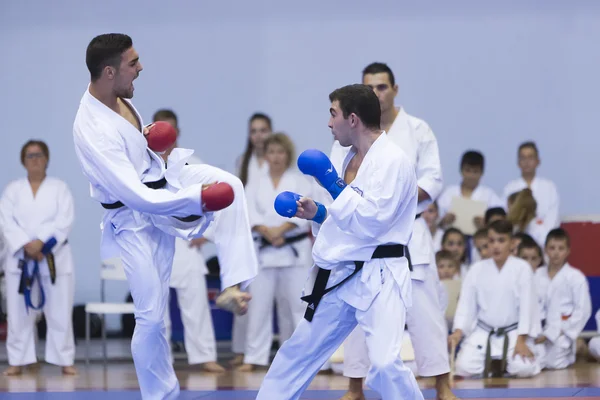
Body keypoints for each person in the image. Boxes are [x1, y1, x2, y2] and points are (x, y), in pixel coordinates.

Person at [72, 33, 257, 399]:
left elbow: (137, 157)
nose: (141, 68)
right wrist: (197, 201)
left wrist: (148, 139)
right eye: (133, 63)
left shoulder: (116, 98)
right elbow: (138, 197)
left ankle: (233, 285)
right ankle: (160, 395)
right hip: (134, 219)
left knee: (231, 186)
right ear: (109, 71)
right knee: (152, 317)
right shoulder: (92, 130)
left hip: (164, 178)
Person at [256, 84, 423, 399]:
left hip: (381, 275)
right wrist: (318, 213)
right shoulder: (346, 156)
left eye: (334, 114)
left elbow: (372, 222)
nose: (329, 123)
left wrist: (332, 185)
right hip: (342, 273)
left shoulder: (392, 160)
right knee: (298, 350)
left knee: (385, 364)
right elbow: (347, 217)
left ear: (353, 119)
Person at [338, 62, 454, 400]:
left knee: (426, 312)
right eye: (369, 87)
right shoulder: (351, 130)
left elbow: (432, 179)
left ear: (395, 89)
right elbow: (341, 180)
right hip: (365, 236)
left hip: (409, 232)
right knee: (359, 308)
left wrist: (397, 201)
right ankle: (354, 386)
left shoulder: (417, 129)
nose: (376, 93)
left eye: (382, 87)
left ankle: (443, 386)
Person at [152, 109, 225, 373]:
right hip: (158, 240)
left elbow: (214, 200)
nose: (167, 136)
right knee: (157, 306)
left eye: (171, 130)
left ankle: (205, 356)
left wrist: (205, 234)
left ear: (178, 133)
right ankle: (161, 360)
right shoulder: (146, 165)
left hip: (188, 242)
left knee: (196, 303)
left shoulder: (195, 163)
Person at [0, 140, 77, 376]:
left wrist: (42, 243)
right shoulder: (13, 190)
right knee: (18, 313)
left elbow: (64, 220)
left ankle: (65, 360)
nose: (35, 159)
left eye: (39, 154)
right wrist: (26, 244)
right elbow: (5, 221)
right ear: (23, 161)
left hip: (53, 257)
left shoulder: (59, 188)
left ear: (47, 159)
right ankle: (18, 360)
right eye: (30, 155)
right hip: (21, 259)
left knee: (60, 310)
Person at [240, 133, 314, 371]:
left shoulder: (300, 181)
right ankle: (254, 357)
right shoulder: (255, 182)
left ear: (287, 154)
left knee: (297, 307)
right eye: (271, 152)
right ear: (265, 155)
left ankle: (300, 357)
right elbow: (248, 212)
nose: (276, 157)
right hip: (263, 251)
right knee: (259, 307)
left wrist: (283, 229)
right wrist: (267, 231)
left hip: (293, 250)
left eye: (280, 152)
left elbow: (307, 211)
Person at [449, 220, 541, 379]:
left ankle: (500, 365)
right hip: (484, 332)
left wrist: (521, 340)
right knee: (463, 367)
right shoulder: (476, 269)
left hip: (513, 333)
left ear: (512, 243)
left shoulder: (522, 269)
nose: (496, 246)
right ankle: (496, 366)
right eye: (492, 241)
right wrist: (458, 331)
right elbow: (466, 305)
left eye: (501, 240)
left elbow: (528, 307)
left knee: (523, 368)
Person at [534, 228, 591, 370]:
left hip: (563, 331)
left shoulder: (575, 277)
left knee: (553, 363)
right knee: (533, 361)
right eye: (552, 248)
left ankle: (578, 346)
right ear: (545, 250)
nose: (556, 253)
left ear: (568, 251)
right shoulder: (536, 275)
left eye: (561, 248)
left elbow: (583, 310)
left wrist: (557, 332)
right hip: (538, 330)